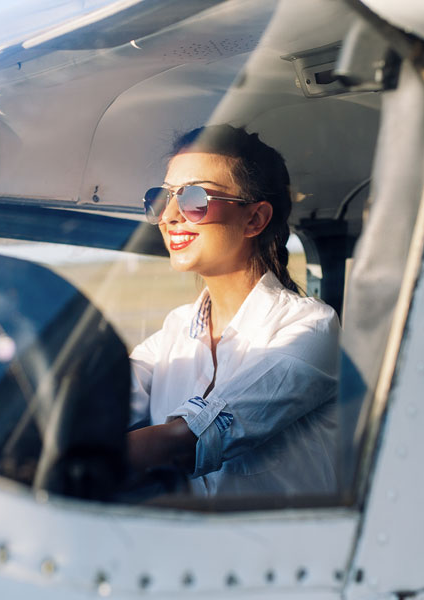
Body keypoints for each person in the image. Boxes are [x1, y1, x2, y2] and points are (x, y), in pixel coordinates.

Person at [128, 124, 339, 497]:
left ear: (254, 219)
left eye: (195, 198)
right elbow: (103, 398)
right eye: (163, 197)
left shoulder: (310, 327)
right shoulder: (174, 331)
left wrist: (67, 461)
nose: (170, 215)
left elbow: (193, 438)